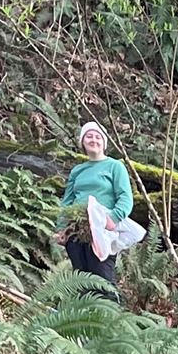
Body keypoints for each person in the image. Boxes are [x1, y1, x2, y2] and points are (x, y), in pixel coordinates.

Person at [58, 121, 142, 291]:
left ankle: (110, 315)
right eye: (89, 136)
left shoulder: (115, 166)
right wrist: (61, 228)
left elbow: (125, 198)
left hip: (103, 230)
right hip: (76, 229)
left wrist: (113, 218)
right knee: (80, 278)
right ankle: (84, 315)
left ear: (104, 142)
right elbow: (67, 201)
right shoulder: (78, 170)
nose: (93, 140)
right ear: (83, 141)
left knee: (102, 279)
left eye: (98, 137)